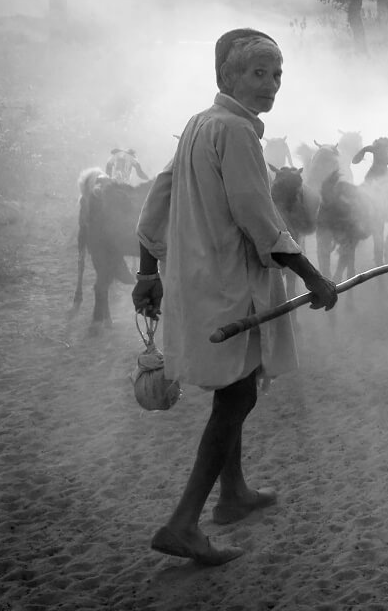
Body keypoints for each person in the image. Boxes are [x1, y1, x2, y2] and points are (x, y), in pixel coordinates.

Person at [133, 28, 338, 566]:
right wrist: (312, 274)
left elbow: (157, 198)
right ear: (228, 76)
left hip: (198, 280)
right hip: (230, 283)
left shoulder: (200, 125)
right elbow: (257, 214)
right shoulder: (238, 133)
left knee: (236, 385)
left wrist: (148, 270)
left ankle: (234, 493)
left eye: (276, 74)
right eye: (258, 73)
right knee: (238, 395)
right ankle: (183, 523)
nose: (271, 84)